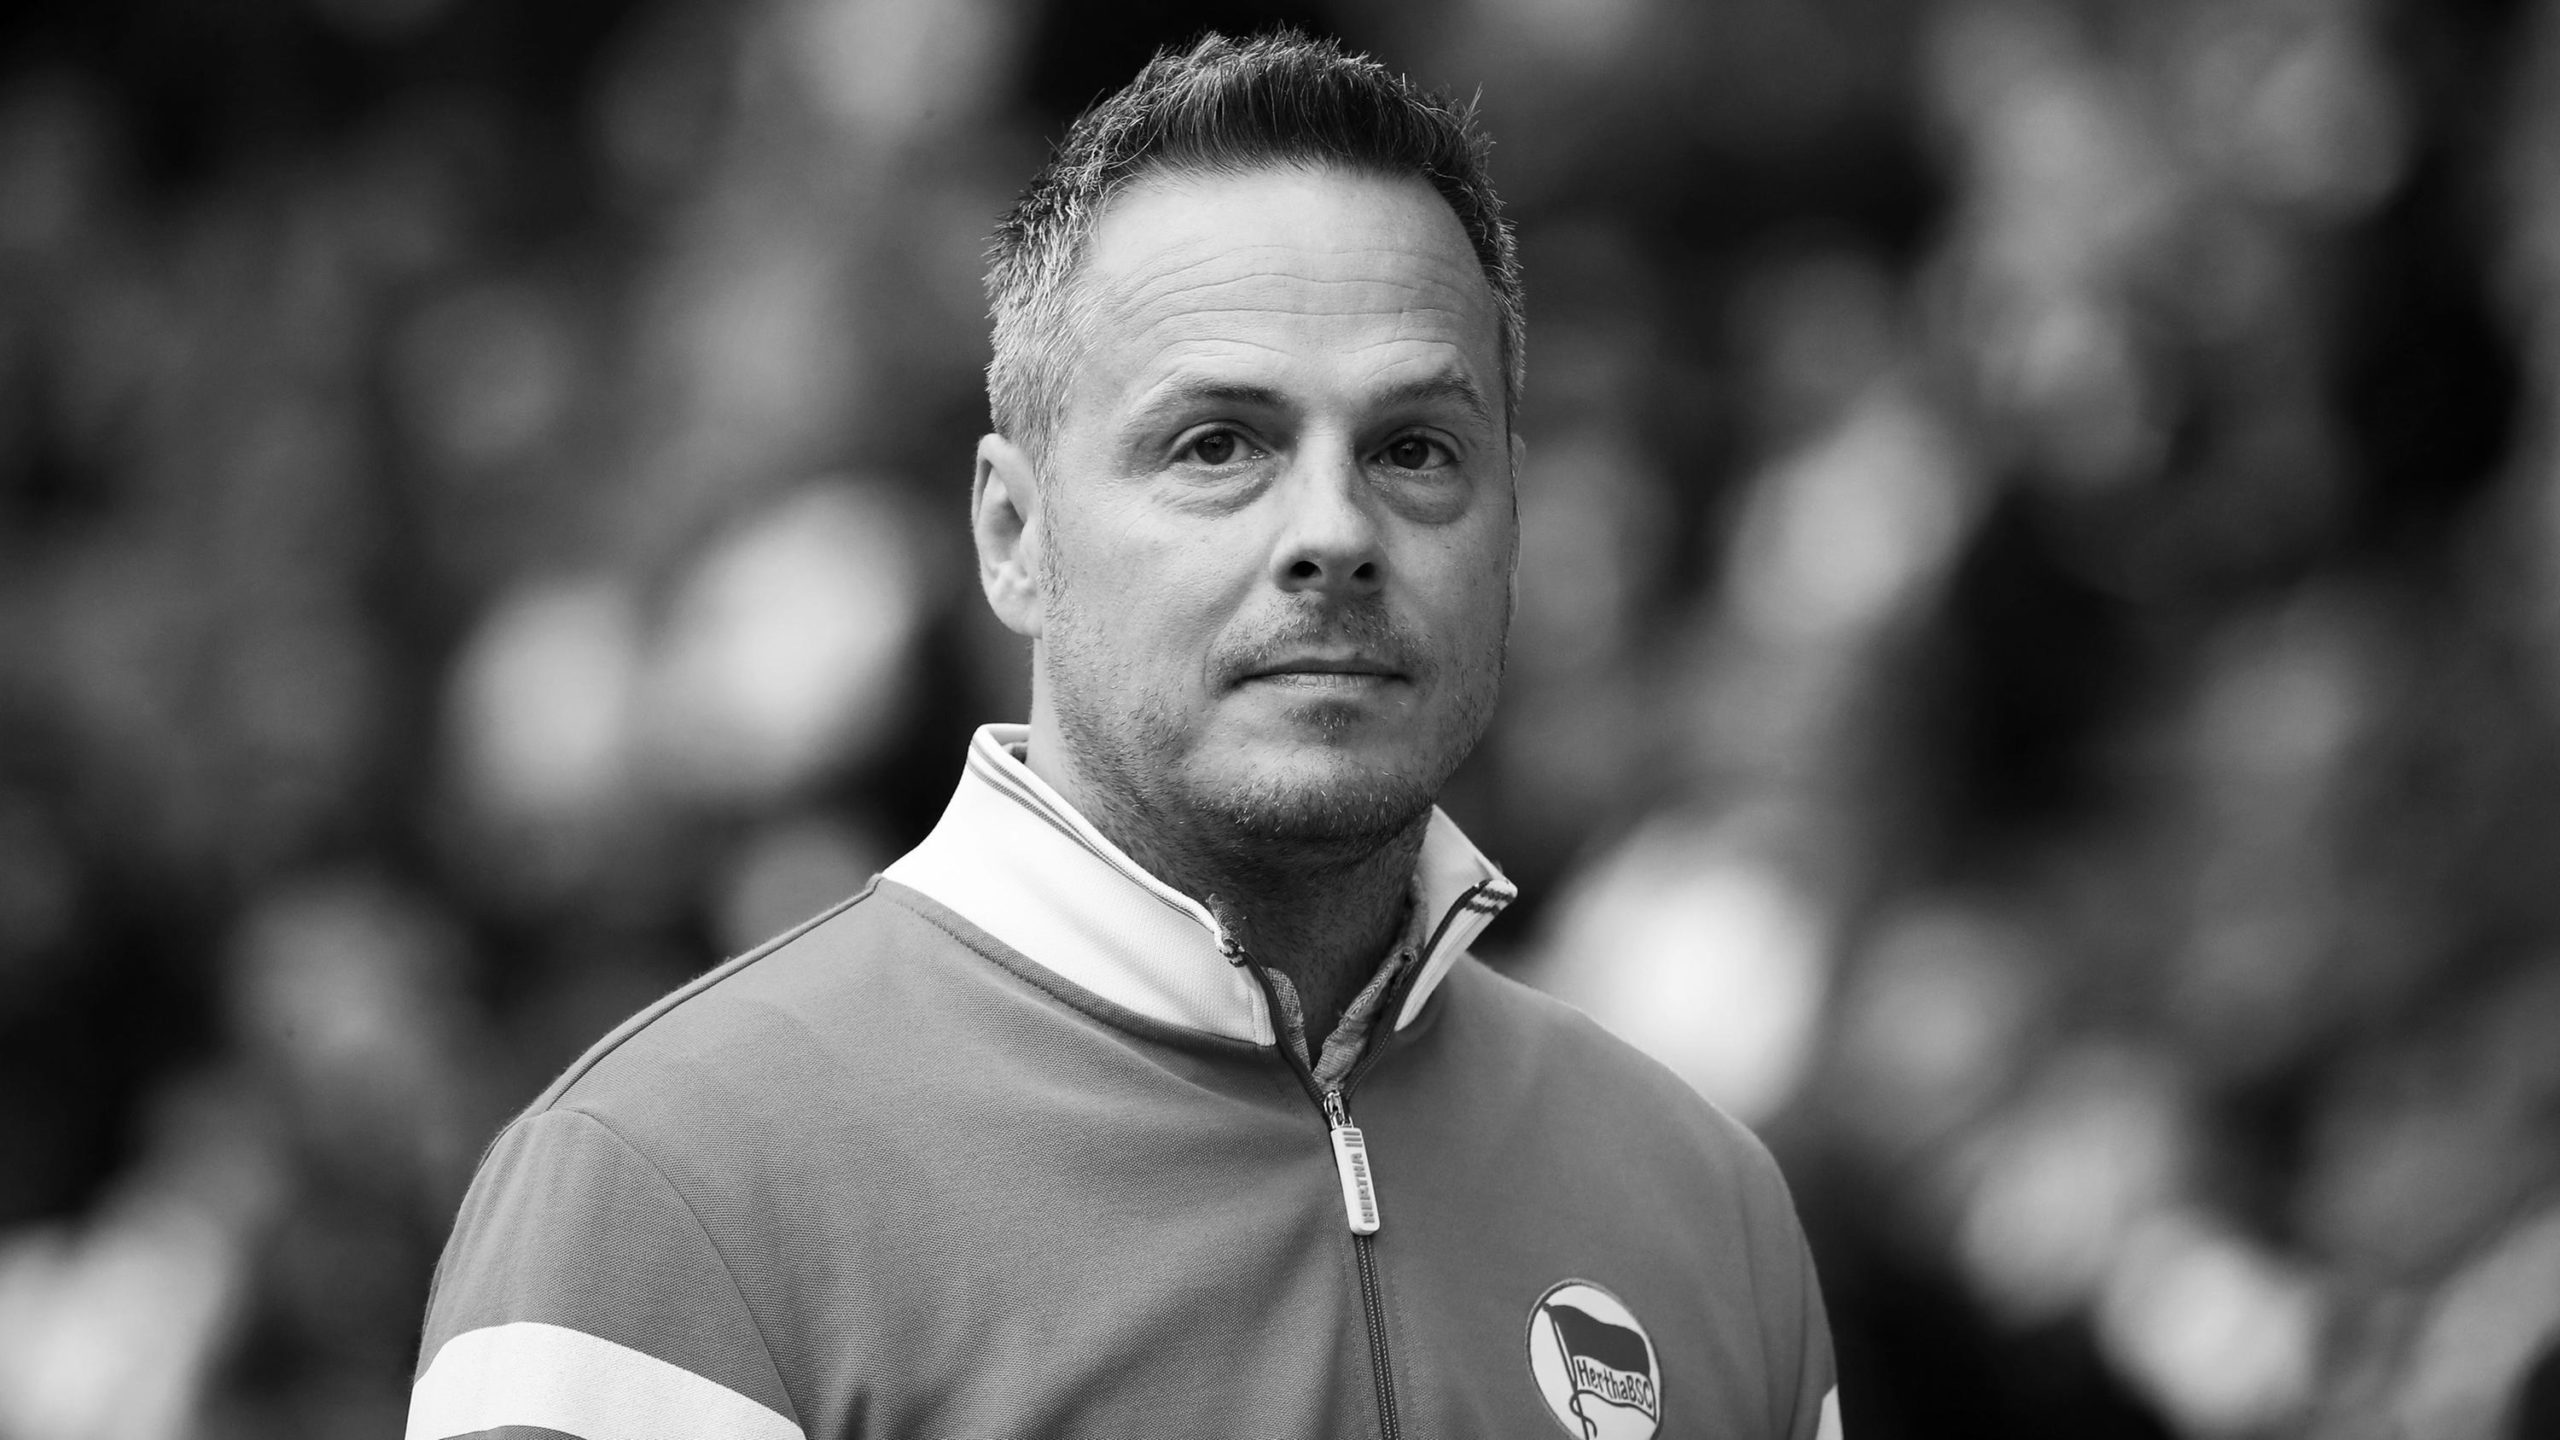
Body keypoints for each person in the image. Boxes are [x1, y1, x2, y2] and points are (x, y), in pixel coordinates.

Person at [405, 31, 1841, 1440]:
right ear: (1014, 536)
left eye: (1415, 449)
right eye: (1218, 444)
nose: (1335, 531)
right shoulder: (668, 1194)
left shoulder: (1707, 1211)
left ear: (1512, 524)